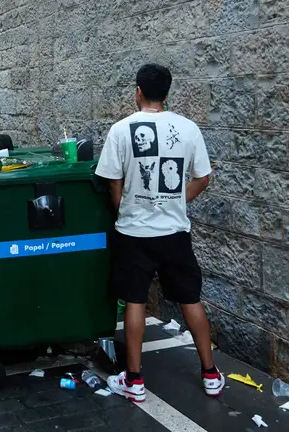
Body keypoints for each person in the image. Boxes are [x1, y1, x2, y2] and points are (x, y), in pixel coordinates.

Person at [95, 64, 222, 402]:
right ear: (167, 93)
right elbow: (203, 178)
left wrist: (125, 206)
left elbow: (111, 178)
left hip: (133, 231)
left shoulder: (121, 129)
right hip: (174, 230)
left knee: (135, 300)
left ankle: (134, 380)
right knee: (189, 298)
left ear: (138, 91)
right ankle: (210, 373)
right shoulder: (188, 128)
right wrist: (177, 201)